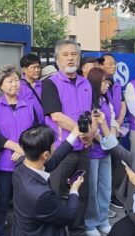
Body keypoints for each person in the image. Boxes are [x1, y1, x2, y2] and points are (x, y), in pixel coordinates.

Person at [41, 39, 93, 234]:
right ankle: (56, 231)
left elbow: (92, 113)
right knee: (56, 192)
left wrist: (91, 134)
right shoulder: (50, 84)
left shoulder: (86, 83)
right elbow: (56, 116)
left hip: (84, 149)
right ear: (57, 59)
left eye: (74, 54)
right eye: (66, 54)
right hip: (62, 150)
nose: (71, 58)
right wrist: (83, 132)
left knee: (82, 191)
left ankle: (78, 229)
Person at [12, 125, 85, 236]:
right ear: (45, 154)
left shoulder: (20, 164)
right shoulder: (42, 195)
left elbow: (52, 161)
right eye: (53, 146)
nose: (54, 148)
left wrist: (73, 135)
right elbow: (69, 216)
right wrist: (74, 190)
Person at [0, 64, 33, 236]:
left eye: (17, 80)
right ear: (0, 85)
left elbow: (34, 131)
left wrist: (22, 149)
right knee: (1, 203)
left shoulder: (28, 106)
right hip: (2, 165)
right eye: (10, 81)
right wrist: (16, 147)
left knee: (24, 203)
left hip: (25, 163)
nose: (15, 84)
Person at [84, 68, 117, 235]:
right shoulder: (88, 101)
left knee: (105, 187)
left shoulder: (105, 99)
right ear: (96, 82)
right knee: (92, 189)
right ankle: (90, 223)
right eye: (105, 82)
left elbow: (112, 120)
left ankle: (102, 219)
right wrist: (103, 139)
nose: (108, 84)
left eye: (108, 81)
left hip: (106, 151)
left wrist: (111, 136)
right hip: (92, 152)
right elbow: (91, 129)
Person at [100, 54, 128, 212]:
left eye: (114, 63)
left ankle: (114, 195)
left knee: (119, 164)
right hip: (104, 132)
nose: (114, 66)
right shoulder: (97, 86)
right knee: (106, 166)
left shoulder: (116, 83)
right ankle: (105, 198)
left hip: (116, 129)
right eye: (110, 63)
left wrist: (118, 123)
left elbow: (122, 104)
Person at [19, 53, 44, 123]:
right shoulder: (18, 87)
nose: (37, 70)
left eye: (38, 67)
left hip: (43, 124)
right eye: (33, 67)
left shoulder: (42, 85)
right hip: (27, 125)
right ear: (24, 69)